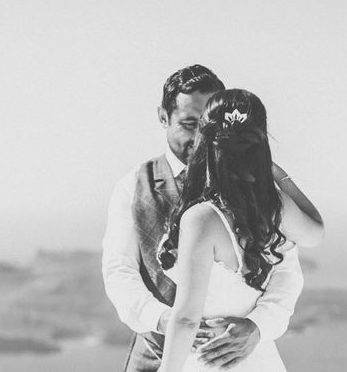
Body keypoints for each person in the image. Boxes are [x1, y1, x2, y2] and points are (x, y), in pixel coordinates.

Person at [102, 65, 324, 372]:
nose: (198, 138)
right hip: (154, 350)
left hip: (239, 351)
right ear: (163, 117)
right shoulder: (133, 186)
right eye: (188, 123)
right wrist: (161, 319)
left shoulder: (256, 193)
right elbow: (119, 271)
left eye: (206, 125)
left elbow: (286, 270)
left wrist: (258, 326)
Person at [157, 88, 303, 371]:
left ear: (206, 141)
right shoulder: (269, 209)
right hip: (262, 361)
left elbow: (187, 318)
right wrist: (275, 173)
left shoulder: (201, 219)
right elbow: (311, 237)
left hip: (209, 361)